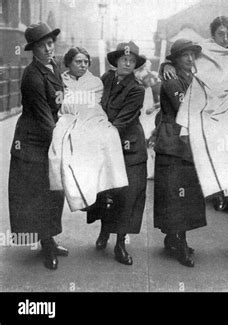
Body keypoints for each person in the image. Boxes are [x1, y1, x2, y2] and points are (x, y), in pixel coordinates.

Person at [164, 16, 228, 199]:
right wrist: (166, 65)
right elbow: (182, 58)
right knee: (209, 139)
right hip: (207, 100)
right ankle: (220, 187)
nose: (225, 38)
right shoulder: (203, 49)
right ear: (213, 34)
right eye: (221, 34)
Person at [9, 23, 67, 270]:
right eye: (42, 46)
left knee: (55, 192)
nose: (48, 48)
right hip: (33, 144)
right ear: (33, 50)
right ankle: (46, 245)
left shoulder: (53, 66)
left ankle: (50, 239)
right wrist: (65, 142)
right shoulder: (32, 76)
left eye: (50, 43)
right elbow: (45, 118)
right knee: (41, 195)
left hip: (49, 138)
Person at [86, 41, 147, 266]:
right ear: (117, 61)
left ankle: (120, 243)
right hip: (105, 140)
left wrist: (99, 133)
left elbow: (122, 121)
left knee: (126, 195)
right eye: (124, 59)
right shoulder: (105, 79)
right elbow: (92, 104)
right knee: (105, 191)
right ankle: (104, 231)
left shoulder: (137, 89)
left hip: (128, 147)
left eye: (132, 61)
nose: (128, 63)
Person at [49, 47, 128, 212]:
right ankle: (79, 194)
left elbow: (92, 103)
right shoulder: (60, 80)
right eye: (78, 61)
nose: (83, 65)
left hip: (91, 116)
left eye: (86, 62)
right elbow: (61, 102)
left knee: (106, 137)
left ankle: (103, 190)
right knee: (64, 145)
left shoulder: (95, 82)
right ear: (69, 63)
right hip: (68, 117)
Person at [153, 39, 206, 267]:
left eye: (192, 55)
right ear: (174, 59)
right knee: (178, 196)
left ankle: (173, 237)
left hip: (183, 145)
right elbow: (186, 111)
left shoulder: (189, 78)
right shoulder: (172, 81)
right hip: (174, 145)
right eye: (185, 55)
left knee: (181, 194)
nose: (190, 59)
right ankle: (180, 243)